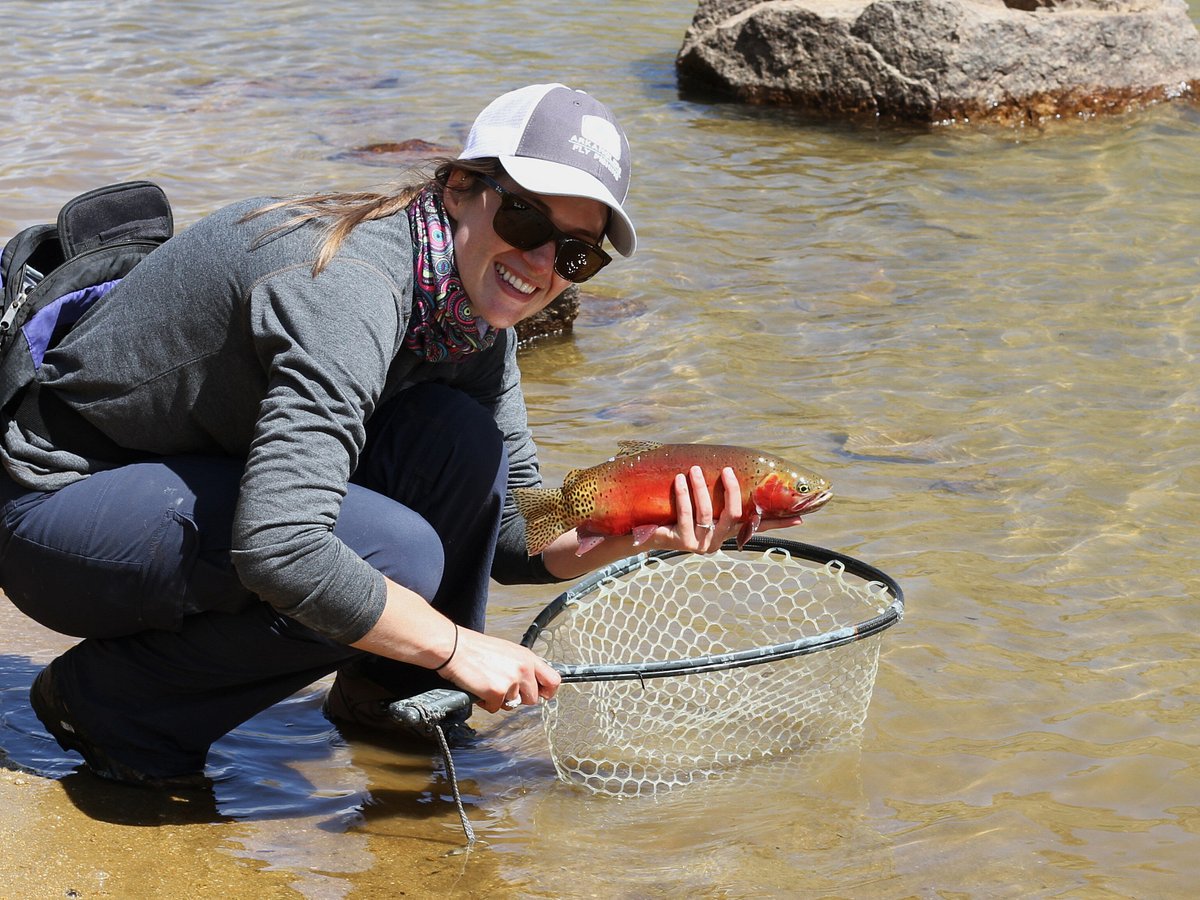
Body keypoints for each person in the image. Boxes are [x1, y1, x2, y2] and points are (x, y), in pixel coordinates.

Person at [0, 83, 781, 790]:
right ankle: (116, 706)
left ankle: (390, 699)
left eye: (576, 254)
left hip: (186, 477)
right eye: (525, 217)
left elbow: (513, 535)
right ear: (460, 187)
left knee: (459, 442)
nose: (542, 263)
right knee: (394, 552)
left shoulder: (471, 318)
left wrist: (642, 531)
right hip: (54, 513)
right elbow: (282, 545)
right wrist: (452, 647)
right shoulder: (352, 285)